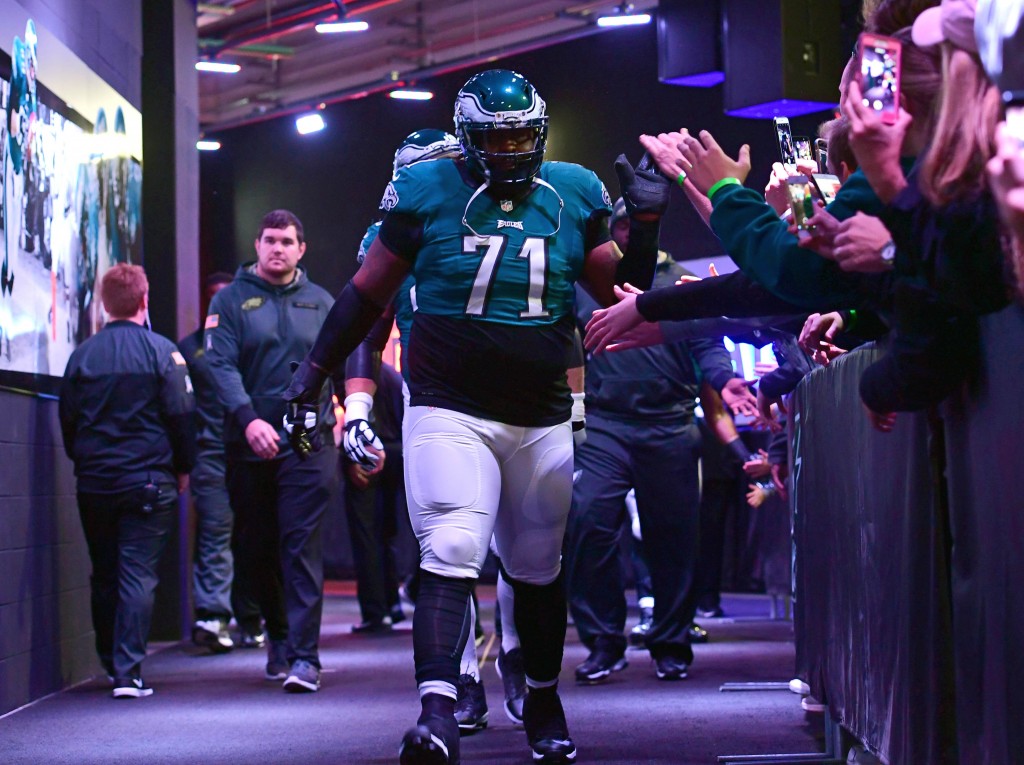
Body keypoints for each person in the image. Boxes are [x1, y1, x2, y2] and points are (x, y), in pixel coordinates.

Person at [284, 69, 667, 764]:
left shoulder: (573, 189)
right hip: (448, 404)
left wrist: (643, 226)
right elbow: (366, 299)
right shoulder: (427, 189)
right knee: (451, 549)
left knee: (536, 565)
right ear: (466, 138)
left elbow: (622, 292)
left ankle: (543, 695)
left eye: (524, 132)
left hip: (540, 411)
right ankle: (437, 711)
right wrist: (314, 377)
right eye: (499, 136)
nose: (515, 147)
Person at [567, 198, 742, 684]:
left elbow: (708, 342)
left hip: (669, 423)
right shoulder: (587, 288)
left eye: (633, 224)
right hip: (606, 425)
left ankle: (670, 642)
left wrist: (726, 381)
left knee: (674, 540)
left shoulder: (679, 279)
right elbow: (563, 346)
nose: (626, 232)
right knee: (588, 521)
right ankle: (604, 642)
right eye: (619, 224)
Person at [204, 209, 341, 693]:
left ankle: (306, 657)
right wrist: (248, 419)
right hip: (251, 447)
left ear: (301, 249)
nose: (277, 248)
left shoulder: (322, 302)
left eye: (287, 241)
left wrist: (352, 414)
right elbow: (218, 366)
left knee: (301, 546)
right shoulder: (230, 301)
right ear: (257, 246)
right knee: (257, 547)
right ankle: (279, 640)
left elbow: (342, 365)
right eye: (269, 240)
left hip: (309, 443)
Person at [59, 263, 196, 698]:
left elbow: (68, 422)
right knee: (137, 574)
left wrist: (85, 462)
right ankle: (128, 672)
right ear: (144, 300)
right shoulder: (163, 353)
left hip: (95, 482)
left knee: (104, 572)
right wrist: (183, 467)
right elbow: (181, 417)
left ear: (103, 304)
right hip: (148, 481)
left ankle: (108, 660)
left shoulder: (81, 356)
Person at [178, 271, 242, 653]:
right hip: (210, 453)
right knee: (216, 530)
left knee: (253, 536)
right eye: (213, 295)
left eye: (225, 295)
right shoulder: (189, 349)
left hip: (252, 450)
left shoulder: (248, 341)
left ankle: (251, 617)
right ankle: (214, 615)